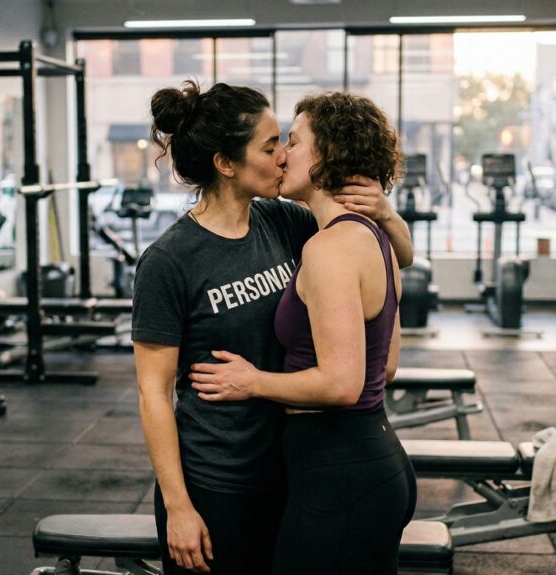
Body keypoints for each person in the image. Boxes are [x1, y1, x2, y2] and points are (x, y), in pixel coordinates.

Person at [132, 81, 413, 575]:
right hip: (218, 478)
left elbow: (392, 257)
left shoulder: (285, 222)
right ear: (226, 163)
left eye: (287, 140)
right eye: (270, 145)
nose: (284, 155)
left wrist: (384, 210)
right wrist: (178, 507)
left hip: (289, 474)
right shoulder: (169, 261)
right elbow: (152, 392)